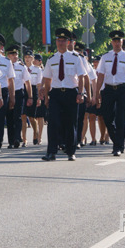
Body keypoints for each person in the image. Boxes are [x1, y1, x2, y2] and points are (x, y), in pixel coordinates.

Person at [41, 28, 86, 161]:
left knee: (70, 122)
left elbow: (82, 77)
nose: (61, 43)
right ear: (56, 42)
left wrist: (80, 93)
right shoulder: (51, 59)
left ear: (68, 42)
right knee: (53, 122)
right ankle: (51, 152)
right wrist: (47, 96)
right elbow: (48, 79)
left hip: (71, 93)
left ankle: (71, 151)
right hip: (55, 93)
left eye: (63, 41)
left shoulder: (75, 58)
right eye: (59, 41)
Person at [94, 30, 125, 157]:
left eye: (119, 41)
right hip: (108, 89)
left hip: (122, 90)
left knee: (120, 118)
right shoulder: (105, 57)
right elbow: (101, 75)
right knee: (106, 117)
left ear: (122, 42)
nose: (117, 43)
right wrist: (97, 93)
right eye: (115, 41)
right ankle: (117, 140)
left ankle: (117, 147)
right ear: (111, 42)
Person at [6, 45, 32, 148]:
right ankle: (11, 141)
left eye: (16, 53)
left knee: (17, 116)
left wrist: (30, 96)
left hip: (18, 93)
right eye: (12, 54)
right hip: (7, 93)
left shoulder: (22, 67)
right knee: (9, 117)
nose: (15, 56)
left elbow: (27, 82)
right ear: (8, 55)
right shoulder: (4, 65)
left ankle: (17, 138)